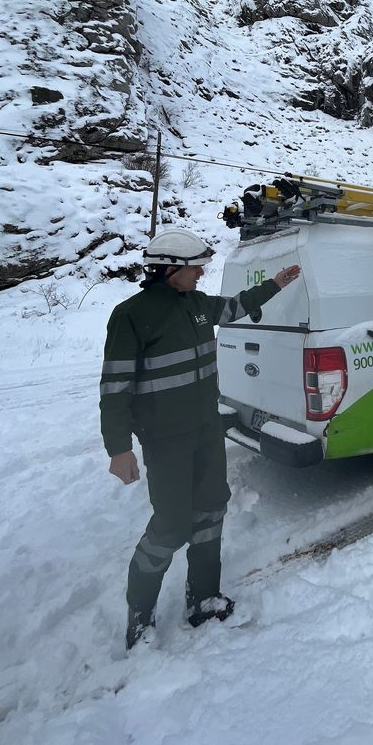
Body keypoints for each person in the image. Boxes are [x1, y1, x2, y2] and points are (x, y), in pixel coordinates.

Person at [99, 228, 301, 649]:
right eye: (195, 267)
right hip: (165, 440)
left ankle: (204, 597)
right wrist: (119, 447)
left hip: (206, 430)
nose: (201, 272)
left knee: (211, 511)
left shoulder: (196, 305)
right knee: (170, 526)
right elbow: (114, 386)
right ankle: (140, 615)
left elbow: (234, 307)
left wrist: (274, 285)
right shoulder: (131, 315)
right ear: (170, 270)